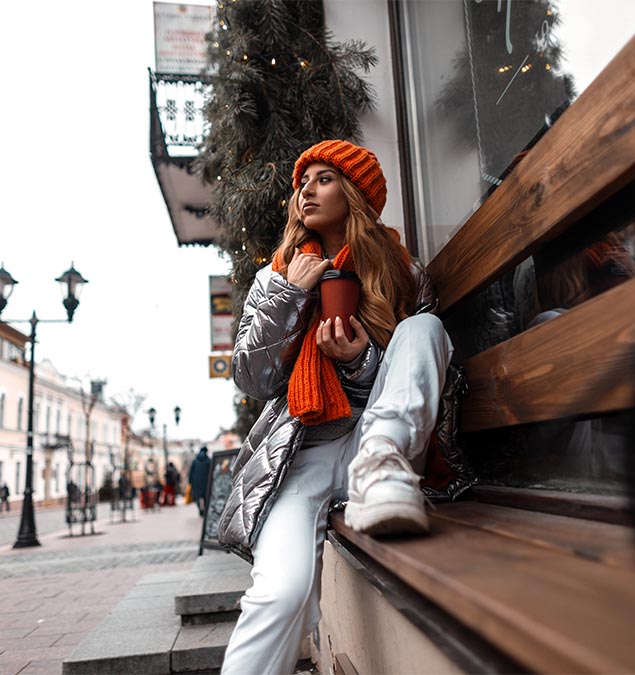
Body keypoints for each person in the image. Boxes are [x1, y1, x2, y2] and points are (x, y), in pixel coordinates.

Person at [219, 140, 453, 674]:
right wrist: (288, 296)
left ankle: (381, 466)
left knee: (423, 328)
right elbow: (253, 379)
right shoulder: (275, 274)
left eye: (324, 178)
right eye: (304, 180)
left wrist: (358, 361)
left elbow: (416, 374)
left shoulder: (401, 272)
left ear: (354, 194)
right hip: (301, 456)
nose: (307, 188)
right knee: (281, 594)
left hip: (376, 443)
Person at [189, 445, 211, 516]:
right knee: (205, 496)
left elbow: (191, 472)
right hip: (206, 481)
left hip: (196, 482)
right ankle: (205, 509)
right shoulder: (208, 461)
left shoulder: (195, 461)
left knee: (198, 496)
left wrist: (190, 482)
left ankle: (200, 509)